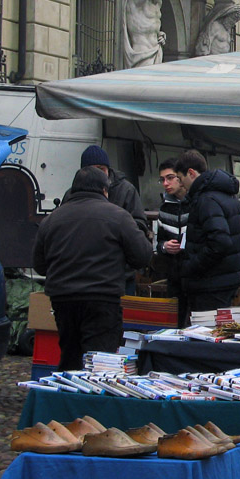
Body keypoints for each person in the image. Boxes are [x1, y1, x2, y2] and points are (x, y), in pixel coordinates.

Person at [32, 167, 152, 370]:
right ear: (105, 191)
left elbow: (40, 266)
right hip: (102, 298)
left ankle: (66, 398)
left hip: (63, 299)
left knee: (70, 356)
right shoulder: (119, 216)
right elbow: (142, 256)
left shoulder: (51, 220)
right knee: (100, 362)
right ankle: (92, 399)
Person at [170, 150, 240, 319]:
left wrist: (192, 266)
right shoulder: (227, 195)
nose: (181, 184)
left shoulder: (206, 200)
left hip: (210, 283)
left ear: (191, 173)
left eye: (181, 178)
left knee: (205, 334)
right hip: (226, 279)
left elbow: (220, 242)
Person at [75, 144, 149, 295]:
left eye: (102, 169)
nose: (99, 174)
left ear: (108, 169)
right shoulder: (72, 193)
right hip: (82, 275)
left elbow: (140, 226)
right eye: (93, 169)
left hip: (119, 275)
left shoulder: (126, 190)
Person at [151, 159, 190, 325]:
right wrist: (165, 246)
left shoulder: (196, 204)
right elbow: (158, 243)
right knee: (177, 322)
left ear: (180, 178)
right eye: (162, 179)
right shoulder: (164, 209)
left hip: (195, 273)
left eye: (170, 177)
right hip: (174, 277)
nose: (165, 183)